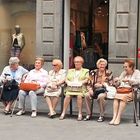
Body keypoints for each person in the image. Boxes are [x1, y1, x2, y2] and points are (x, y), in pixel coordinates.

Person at [109, 60, 140, 125]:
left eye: (126, 67)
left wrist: (128, 80)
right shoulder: (123, 73)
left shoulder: (137, 72)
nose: (124, 68)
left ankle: (118, 117)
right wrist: (116, 81)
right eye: (124, 67)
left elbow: (138, 81)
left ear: (131, 67)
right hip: (122, 90)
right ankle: (114, 117)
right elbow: (118, 84)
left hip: (133, 91)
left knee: (123, 98)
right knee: (116, 98)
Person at [59, 56, 89, 121]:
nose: (76, 63)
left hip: (80, 89)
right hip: (70, 88)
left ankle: (80, 113)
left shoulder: (86, 71)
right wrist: (68, 82)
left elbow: (87, 79)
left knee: (79, 96)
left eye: (78, 62)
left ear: (81, 63)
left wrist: (80, 82)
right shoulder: (70, 70)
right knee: (67, 96)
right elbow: (66, 79)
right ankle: (63, 112)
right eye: (75, 62)